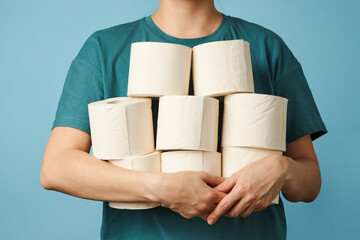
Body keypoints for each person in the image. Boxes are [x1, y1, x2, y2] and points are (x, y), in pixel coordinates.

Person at [40, 0, 328, 239]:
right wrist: (159, 188)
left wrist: (282, 169)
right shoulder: (104, 49)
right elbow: (56, 168)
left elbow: (309, 182)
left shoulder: (267, 47)